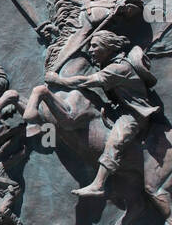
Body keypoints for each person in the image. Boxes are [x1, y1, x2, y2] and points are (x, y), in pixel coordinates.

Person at [45, 30, 160, 198]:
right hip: (117, 108)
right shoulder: (109, 63)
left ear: (108, 47)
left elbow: (88, 81)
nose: (90, 50)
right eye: (90, 46)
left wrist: (59, 80)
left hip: (134, 115)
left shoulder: (120, 68)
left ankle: (98, 184)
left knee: (115, 141)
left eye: (94, 46)